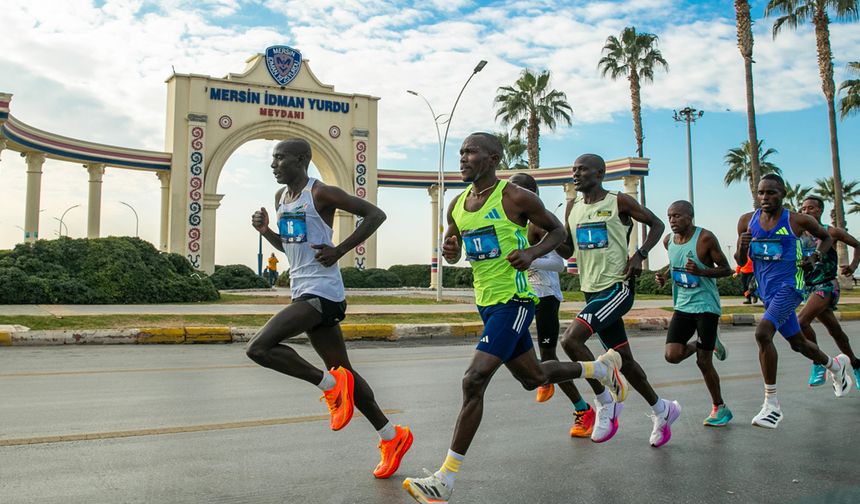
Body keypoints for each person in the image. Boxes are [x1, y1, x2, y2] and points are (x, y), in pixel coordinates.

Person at [403, 133, 626, 504]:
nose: (462, 158)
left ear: (492, 158)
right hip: (486, 302)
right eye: (460, 152)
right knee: (533, 377)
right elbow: (455, 253)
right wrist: (450, 249)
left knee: (474, 380)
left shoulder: (514, 197)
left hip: (516, 300)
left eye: (470, 152)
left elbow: (558, 231)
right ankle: (600, 371)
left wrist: (532, 252)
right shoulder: (456, 204)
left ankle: (445, 480)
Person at [247, 138, 412, 479]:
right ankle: (391, 437)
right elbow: (292, 246)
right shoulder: (281, 198)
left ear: (301, 160)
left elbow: (375, 214)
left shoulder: (320, 193)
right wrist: (266, 232)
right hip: (302, 291)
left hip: (323, 293)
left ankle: (328, 386)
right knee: (346, 372)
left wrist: (339, 250)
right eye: (272, 159)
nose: (274, 164)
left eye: (280, 158)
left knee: (259, 348)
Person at [558, 153, 680, 448]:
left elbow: (657, 224)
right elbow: (566, 249)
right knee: (625, 361)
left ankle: (605, 402)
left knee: (571, 341)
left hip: (617, 288)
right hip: (591, 289)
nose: (576, 174)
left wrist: (640, 254)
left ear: (599, 174)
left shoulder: (619, 201)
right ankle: (662, 410)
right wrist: (536, 239)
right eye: (574, 169)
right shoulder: (572, 208)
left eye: (582, 170)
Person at [734, 174, 852, 429]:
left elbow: (827, 238)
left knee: (763, 333)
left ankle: (771, 405)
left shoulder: (797, 220)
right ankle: (836, 365)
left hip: (790, 288)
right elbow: (741, 261)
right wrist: (742, 247)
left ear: (783, 194)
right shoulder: (747, 221)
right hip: (766, 292)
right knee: (798, 343)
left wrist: (815, 257)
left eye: (771, 193)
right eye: (761, 193)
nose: (765, 198)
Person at [508, 173, 596, 438]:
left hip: (545, 295)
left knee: (548, 357)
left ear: (532, 193)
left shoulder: (540, 223)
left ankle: (584, 408)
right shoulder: (510, 221)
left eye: (518, 188)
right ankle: (542, 376)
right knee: (515, 352)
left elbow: (560, 263)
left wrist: (529, 259)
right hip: (520, 295)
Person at [655, 201, 733, 426]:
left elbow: (727, 269)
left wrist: (702, 271)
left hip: (706, 307)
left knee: (703, 361)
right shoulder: (669, 240)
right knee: (672, 355)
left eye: (677, 216)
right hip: (682, 306)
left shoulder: (706, 238)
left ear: (690, 217)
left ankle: (720, 408)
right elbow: (675, 265)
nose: (672, 221)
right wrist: (665, 277)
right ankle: (711, 343)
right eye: (670, 217)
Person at [798, 195, 860, 388]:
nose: (806, 212)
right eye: (803, 209)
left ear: (820, 211)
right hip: (809, 287)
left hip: (826, 285)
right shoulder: (798, 234)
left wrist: (852, 266)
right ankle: (856, 363)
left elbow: (858, 245)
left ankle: (818, 362)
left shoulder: (831, 232)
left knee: (801, 322)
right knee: (835, 331)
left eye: (811, 208)